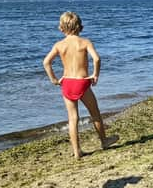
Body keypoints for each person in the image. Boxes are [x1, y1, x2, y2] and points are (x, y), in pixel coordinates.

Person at [43, 12, 117, 159]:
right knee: (95, 113)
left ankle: (77, 151)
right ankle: (104, 141)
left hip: (67, 83)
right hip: (82, 82)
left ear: (61, 28)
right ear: (79, 26)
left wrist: (54, 79)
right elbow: (96, 59)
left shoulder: (59, 45)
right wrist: (95, 75)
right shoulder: (85, 42)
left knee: (72, 118)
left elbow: (46, 63)